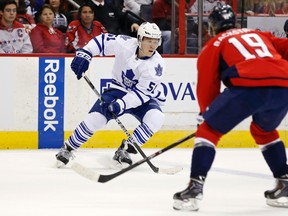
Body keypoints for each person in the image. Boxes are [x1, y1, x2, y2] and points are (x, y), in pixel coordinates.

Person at [173, 3, 288, 211]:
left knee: (208, 131)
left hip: (248, 85)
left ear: (213, 26)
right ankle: (285, 183)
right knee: (264, 131)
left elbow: (208, 84)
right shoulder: (258, 34)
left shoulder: (214, 44)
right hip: (283, 86)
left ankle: (194, 188)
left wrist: (205, 116)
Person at [55, 22, 166, 168]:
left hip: (140, 98)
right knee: (96, 119)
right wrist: (86, 53)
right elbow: (102, 41)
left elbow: (141, 94)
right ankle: (68, 149)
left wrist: (121, 105)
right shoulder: (125, 44)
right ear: (139, 39)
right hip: (117, 89)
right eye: (148, 41)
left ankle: (125, 150)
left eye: (155, 41)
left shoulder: (156, 66)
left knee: (156, 118)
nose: (152, 46)